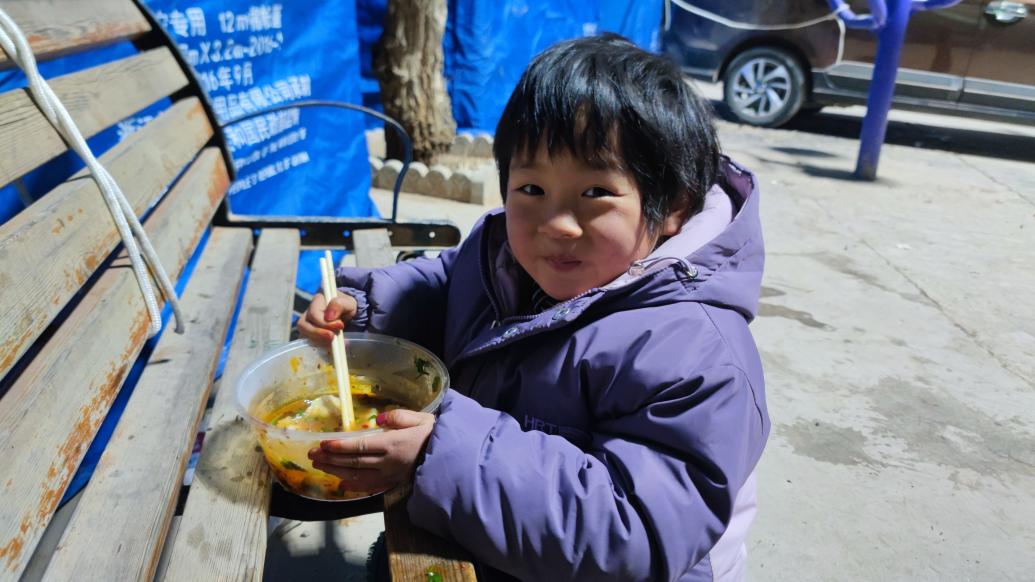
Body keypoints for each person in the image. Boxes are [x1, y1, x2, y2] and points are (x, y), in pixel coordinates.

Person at [298, 33, 769, 582]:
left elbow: (631, 531)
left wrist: (439, 450)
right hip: (495, 526)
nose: (555, 225)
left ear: (673, 209)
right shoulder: (502, 252)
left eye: (596, 193)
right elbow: (449, 283)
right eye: (530, 188)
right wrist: (366, 307)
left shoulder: (695, 354)